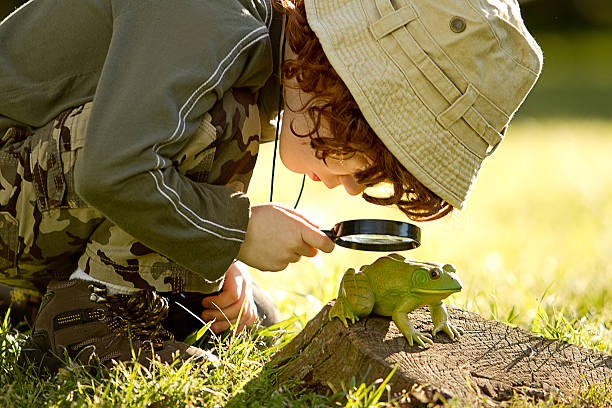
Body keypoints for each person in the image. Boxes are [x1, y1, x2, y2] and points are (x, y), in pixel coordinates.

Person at [0, 0, 542, 370]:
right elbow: (115, 167)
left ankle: (51, 293)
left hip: (28, 198)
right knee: (224, 121)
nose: (352, 189)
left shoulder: (255, 42)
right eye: (369, 159)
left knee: (254, 310)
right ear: (345, 90)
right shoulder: (208, 17)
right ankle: (82, 324)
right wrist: (235, 231)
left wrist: (203, 257)